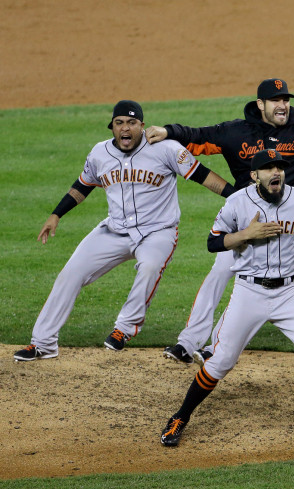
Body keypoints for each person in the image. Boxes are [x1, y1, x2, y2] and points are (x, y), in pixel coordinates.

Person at [160, 149, 294, 448]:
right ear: (255, 175)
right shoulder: (237, 202)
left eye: (279, 166)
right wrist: (245, 235)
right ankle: (179, 417)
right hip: (249, 292)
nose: (276, 172)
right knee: (222, 361)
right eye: (268, 168)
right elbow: (213, 242)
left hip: (288, 293)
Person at [13, 100, 231, 361]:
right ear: (112, 127)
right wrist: (56, 214)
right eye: (119, 123)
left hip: (157, 232)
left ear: (142, 125)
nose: (125, 128)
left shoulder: (167, 149)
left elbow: (203, 176)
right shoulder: (99, 153)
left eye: (131, 123)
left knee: (149, 267)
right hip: (114, 231)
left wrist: (239, 197)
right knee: (70, 273)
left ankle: (124, 330)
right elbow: (82, 186)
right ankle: (43, 343)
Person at [145, 79, 294, 367]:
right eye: (275, 100)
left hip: (284, 229)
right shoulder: (238, 132)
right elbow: (198, 137)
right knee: (219, 274)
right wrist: (168, 131)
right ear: (260, 105)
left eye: (286, 99)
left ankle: (212, 349)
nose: (282, 105)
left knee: (256, 289)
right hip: (243, 220)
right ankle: (188, 342)